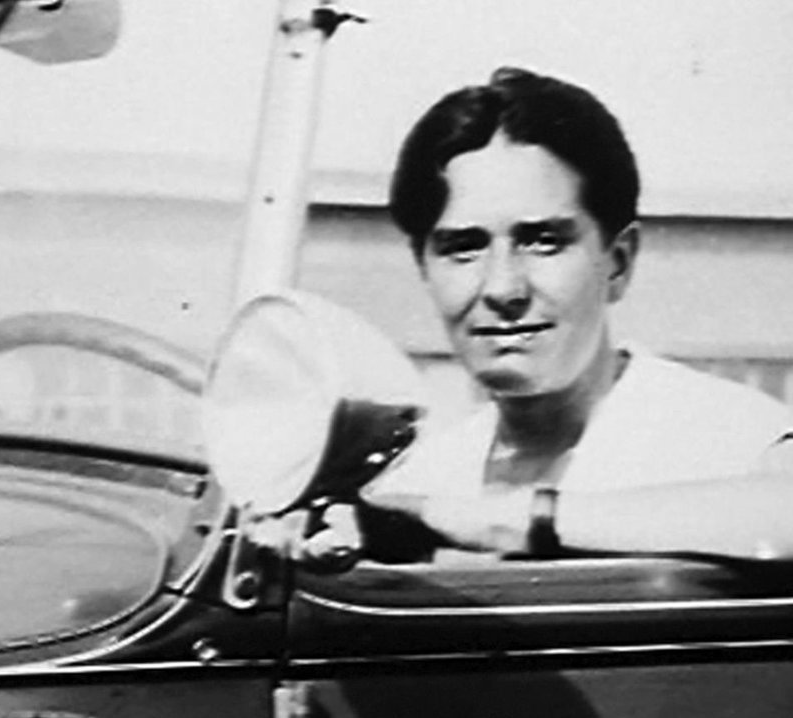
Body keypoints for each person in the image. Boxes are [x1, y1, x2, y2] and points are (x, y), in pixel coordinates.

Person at [282, 67, 793, 564]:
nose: (503, 288)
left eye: (544, 242)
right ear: (423, 267)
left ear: (618, 261)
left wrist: (507, 521)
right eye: (463, 248)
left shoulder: (737, 440)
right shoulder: (419, 480)